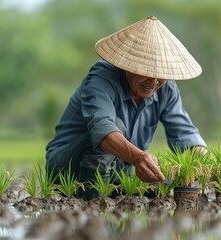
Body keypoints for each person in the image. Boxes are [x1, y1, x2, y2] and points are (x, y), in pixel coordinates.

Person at [45, 16, 207, 200]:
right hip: (68, 167)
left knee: (155, 192)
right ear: (129, 64)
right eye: (147, 72)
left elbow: (184, 134)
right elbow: (103, 128)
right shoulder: (102, 78)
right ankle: (90, 199)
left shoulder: (167, 89)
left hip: (117, 172)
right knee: (116, 125)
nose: (154, 82)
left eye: (160, 75)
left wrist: (206, 163)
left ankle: (110, 194)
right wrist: (139, 158)